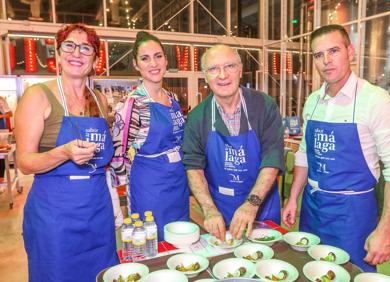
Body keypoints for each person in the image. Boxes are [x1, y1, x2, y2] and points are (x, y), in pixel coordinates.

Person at [282, 24, 390, 272]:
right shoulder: (313, 101)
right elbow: (304, 153)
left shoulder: (375, 101)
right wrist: (293, 198)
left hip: (352, 214)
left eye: (333, 51)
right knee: (310, 271)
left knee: (351, 274)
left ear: (351, 51)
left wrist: (386, 230)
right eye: (318, 55)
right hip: (312, 209)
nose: (326, 61)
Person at [15, 24, 118, 282]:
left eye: (86, 48)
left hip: (97, 210)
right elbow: (24, 163)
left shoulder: (99, 100)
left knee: (102, 275)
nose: (77, 53)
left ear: (95, 59)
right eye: (69, 46)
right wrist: (63, 153)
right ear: (58, 54)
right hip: (55, 216)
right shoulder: (37, 96)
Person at [183, 44, 284, 241]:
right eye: (213, 69)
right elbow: (193, 167)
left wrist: (251, 204)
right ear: (205, 76)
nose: (222, 75)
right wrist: (209, 209)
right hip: (222, 210)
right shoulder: (197, 117)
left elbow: (272, 159)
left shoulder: (264, 105)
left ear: (240, 70)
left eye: (229, 66)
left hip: (262, 208)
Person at [110, 31, 189, 241]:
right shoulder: (132, 104)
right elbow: (118, 155)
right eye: (145, 58)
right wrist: (120, 193)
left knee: (180, 240)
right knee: (154, 245)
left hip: (178, 183)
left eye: (158, 56)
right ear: (136, 64)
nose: (153, 63)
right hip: (150, 187)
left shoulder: (172, 98)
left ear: (165, 59)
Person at [0, 96, 12, 184]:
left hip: (1, 130)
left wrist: (1, 115)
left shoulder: (1, 100)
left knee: (1, 154)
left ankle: (1, 178)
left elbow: (10, 114)